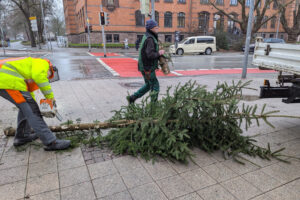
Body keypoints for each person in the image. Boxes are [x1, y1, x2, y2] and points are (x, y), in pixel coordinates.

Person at [0, 57, 70, 150]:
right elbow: (39, 77)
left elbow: (29, 94)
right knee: (33, 112)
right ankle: (51, 142)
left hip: (7, 81)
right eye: (48, 75)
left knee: (26, 109)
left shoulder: (29, 66)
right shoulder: (43, 64)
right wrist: (50, 98)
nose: (47, 77)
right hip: (9, 82)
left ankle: (22, 137)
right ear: (50, 69)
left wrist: (37, 103)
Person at [127, 19, 165, 104]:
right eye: (156, 27)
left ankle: (133, 97)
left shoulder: (147, 36)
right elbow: (150, 55)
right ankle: (153, 108)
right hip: (148, 68)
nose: (157, 28)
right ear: (151, 28)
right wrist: (159, 53)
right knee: (155, 86)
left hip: (144, 66)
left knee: (148, 85)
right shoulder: (150, 39)